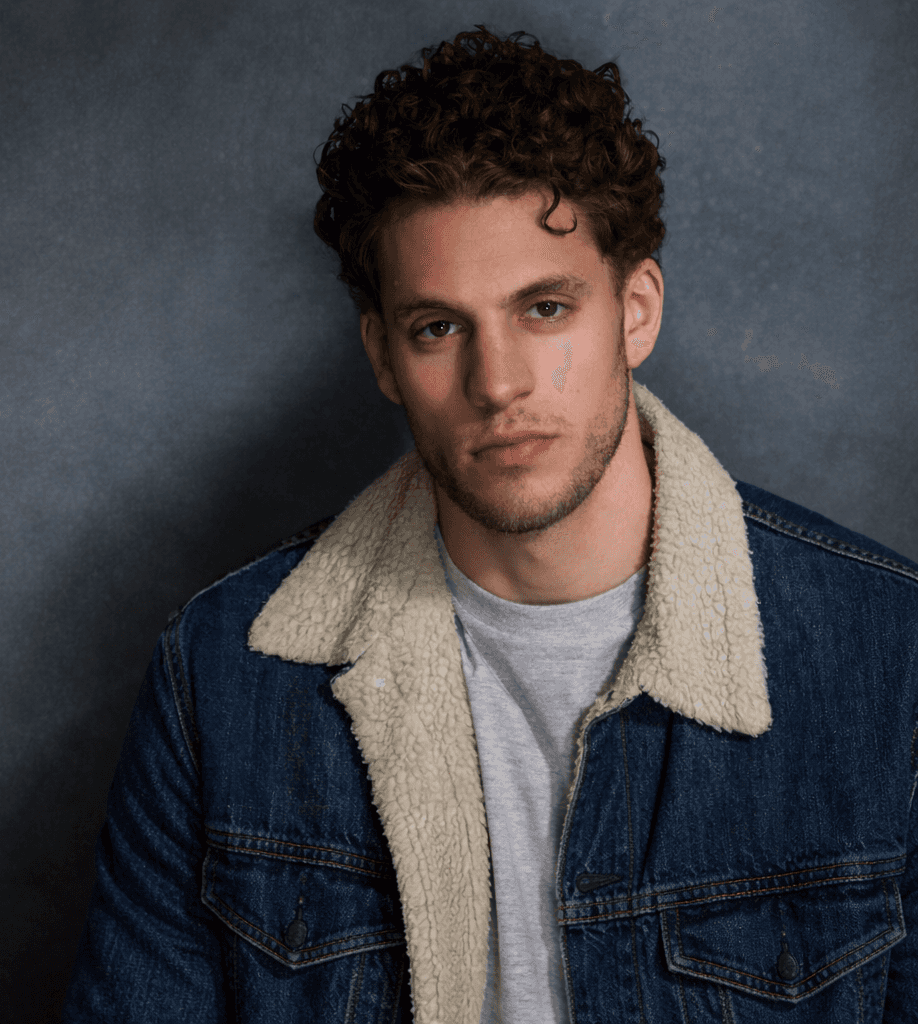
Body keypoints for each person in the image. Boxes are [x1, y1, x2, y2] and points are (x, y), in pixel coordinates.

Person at [61, 26, 918, 1024]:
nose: (497, 382)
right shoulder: (220, 678)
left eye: (545, 309)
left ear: (636, 310)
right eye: (439, 328)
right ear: (384, 355)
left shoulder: (887, 658)